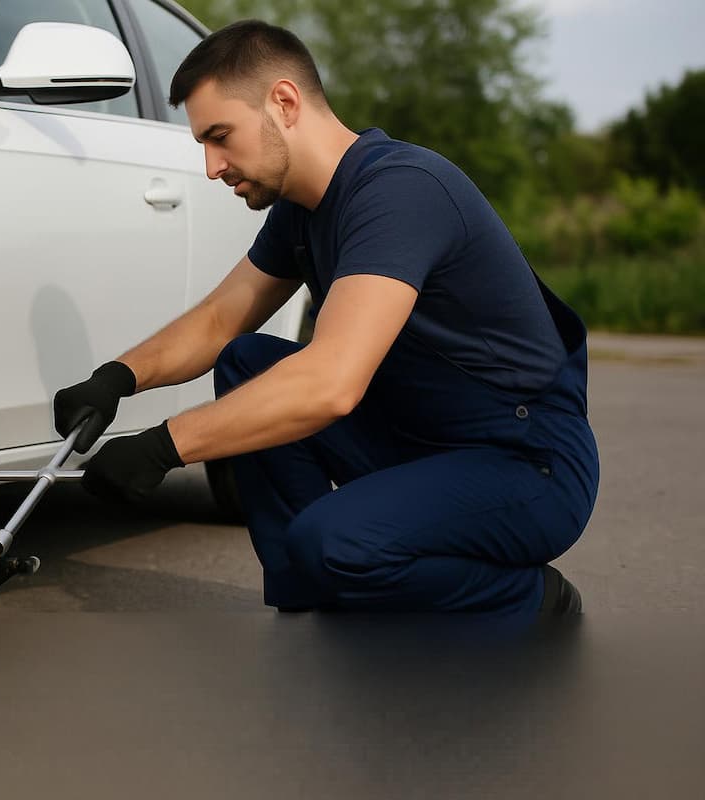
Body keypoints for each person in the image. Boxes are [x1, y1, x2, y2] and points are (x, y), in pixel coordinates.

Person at [52, 20, 597, 619]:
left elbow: (331, 382)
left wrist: (164, 446)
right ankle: (310, 588)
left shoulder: (399, 191)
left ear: (284, 103)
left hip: (523, 462)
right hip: (418, 440)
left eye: (220, 136)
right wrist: (115, 379)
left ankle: (530, 598)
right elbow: (219, 321)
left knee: (333, 544)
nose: (211, 166)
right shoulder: (302, 210)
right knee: (246, 361)